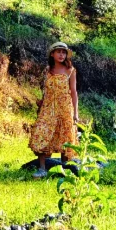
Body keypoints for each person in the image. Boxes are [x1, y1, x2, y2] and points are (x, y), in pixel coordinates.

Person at [28, 42, 78, 175]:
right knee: (41, 133)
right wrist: (41, 103)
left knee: (65, 139)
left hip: (65, 108)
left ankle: (64, 169)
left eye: (64, 52)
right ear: (52, 54)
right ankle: (42, 168)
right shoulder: (47, 70)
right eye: (59, 52)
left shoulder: (71, 70)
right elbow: (44, 90)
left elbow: (74, 92)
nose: (61, 55)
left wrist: (75, 113)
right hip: (48, 108)